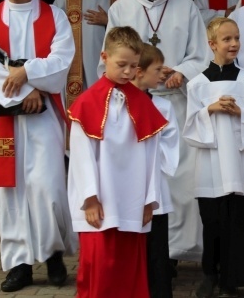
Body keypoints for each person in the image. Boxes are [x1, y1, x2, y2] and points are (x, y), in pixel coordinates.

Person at [0, 0, 76, 292]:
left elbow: (62, 59)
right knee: (10, 190)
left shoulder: (55, 16)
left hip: (44, 116)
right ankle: (19, 264)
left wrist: (28, 74)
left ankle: (53, 255)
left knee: (48, 187)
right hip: (5, 118)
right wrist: (22, 92)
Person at [100, 0, 210, 262]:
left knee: (179, 181)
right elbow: (111, 56)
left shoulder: (187, 7)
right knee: (140, 180)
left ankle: (177, 252)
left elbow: (199, 54)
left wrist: (181, 71)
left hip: (174, 103)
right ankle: (144, 250)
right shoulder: (121, 9)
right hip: (134, 106)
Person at [68, 26, 167, 298]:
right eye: (121, 64)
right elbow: (80, 154)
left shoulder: (143, 104)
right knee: (99, 267)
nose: (127, 72)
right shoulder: (87, 102)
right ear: (104, 57)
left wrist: (149, 199)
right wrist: (90, 198)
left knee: (128, 270)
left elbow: (152, 154)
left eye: (133, 66)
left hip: (132, 200)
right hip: (99, 202)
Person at [183, 17, 244, 298]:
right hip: (210, 164)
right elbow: (191, 126)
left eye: (237, 38)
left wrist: (240, 113)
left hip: (240, 164)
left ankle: (233, 278)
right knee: (212, 222)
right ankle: (209, 274)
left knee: (237, 222)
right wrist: (211, 110)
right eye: (227, 39)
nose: (233, 44)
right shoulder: (197, 84)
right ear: (212, 44)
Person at [131, 43, 180, 298]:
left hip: (154, 189)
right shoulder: (119, 103)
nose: (163, 74)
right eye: (158, 69)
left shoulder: (163, 107)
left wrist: (149, 160)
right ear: (139, 71)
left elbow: (171, 146)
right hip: (127, 191)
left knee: (157, 251)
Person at [54, 0, 128, 110]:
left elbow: (133, 31)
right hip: (76, 66)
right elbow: (54, 26)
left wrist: (109, 21)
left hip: (109, 63)